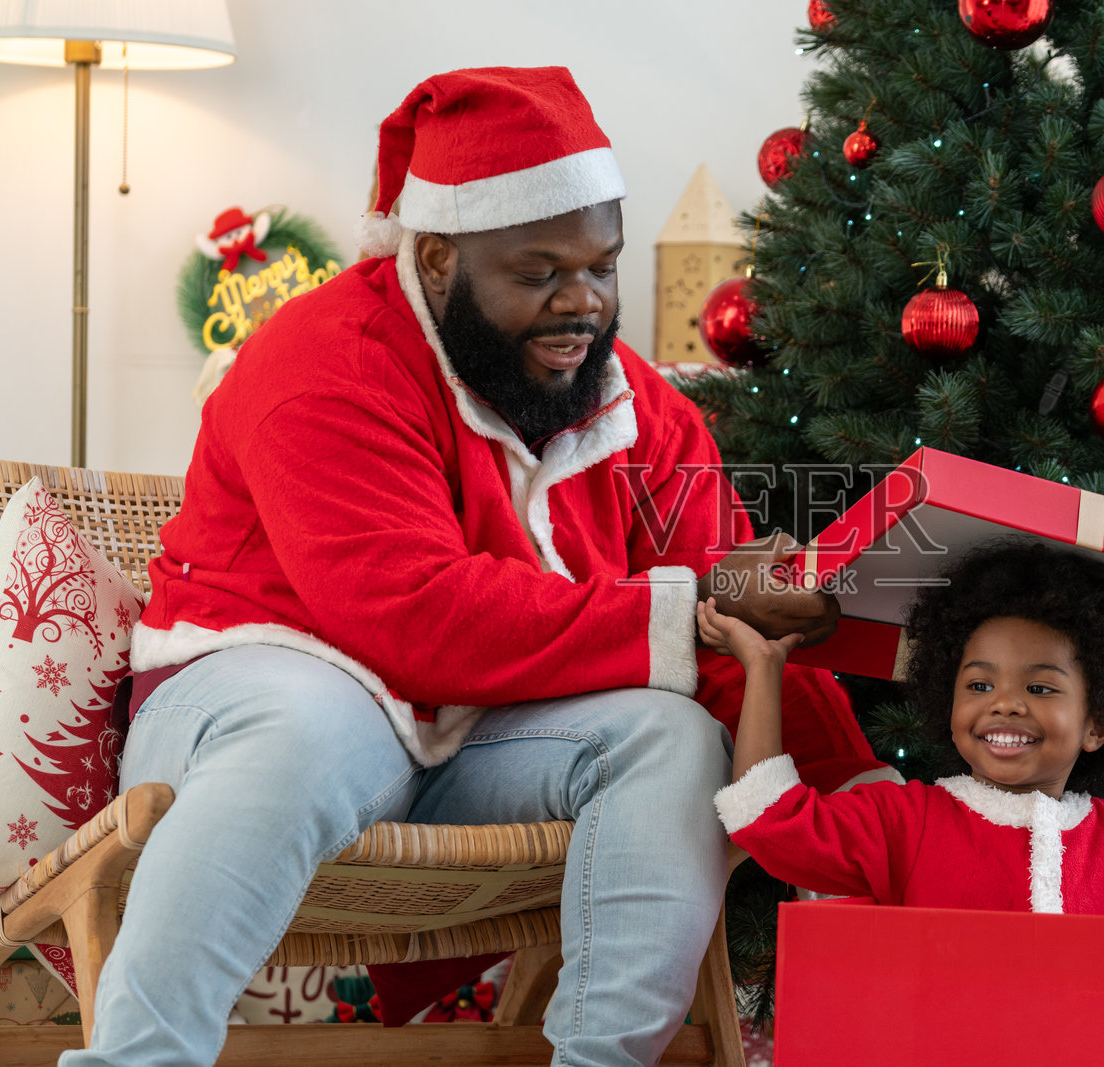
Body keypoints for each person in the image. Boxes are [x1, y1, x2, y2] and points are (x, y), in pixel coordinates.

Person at [70, 67, 884, 1067]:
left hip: (482, 738)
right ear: (442, 257)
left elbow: (720, 627)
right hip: (271, 680)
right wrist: (696, 600)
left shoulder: (639, 406)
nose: (581, 301)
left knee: (670, 734)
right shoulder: (321, 361)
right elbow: (413, 615)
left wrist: (861, 801)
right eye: (540, 271)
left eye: (600, 265)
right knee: (310, 724)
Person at [705, 541, 1104, 915]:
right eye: (979, 685)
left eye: (1040, 688)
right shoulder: (904, 823)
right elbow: (769, 821)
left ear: (1097, 724)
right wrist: (763, 667)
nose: (1005, 705)